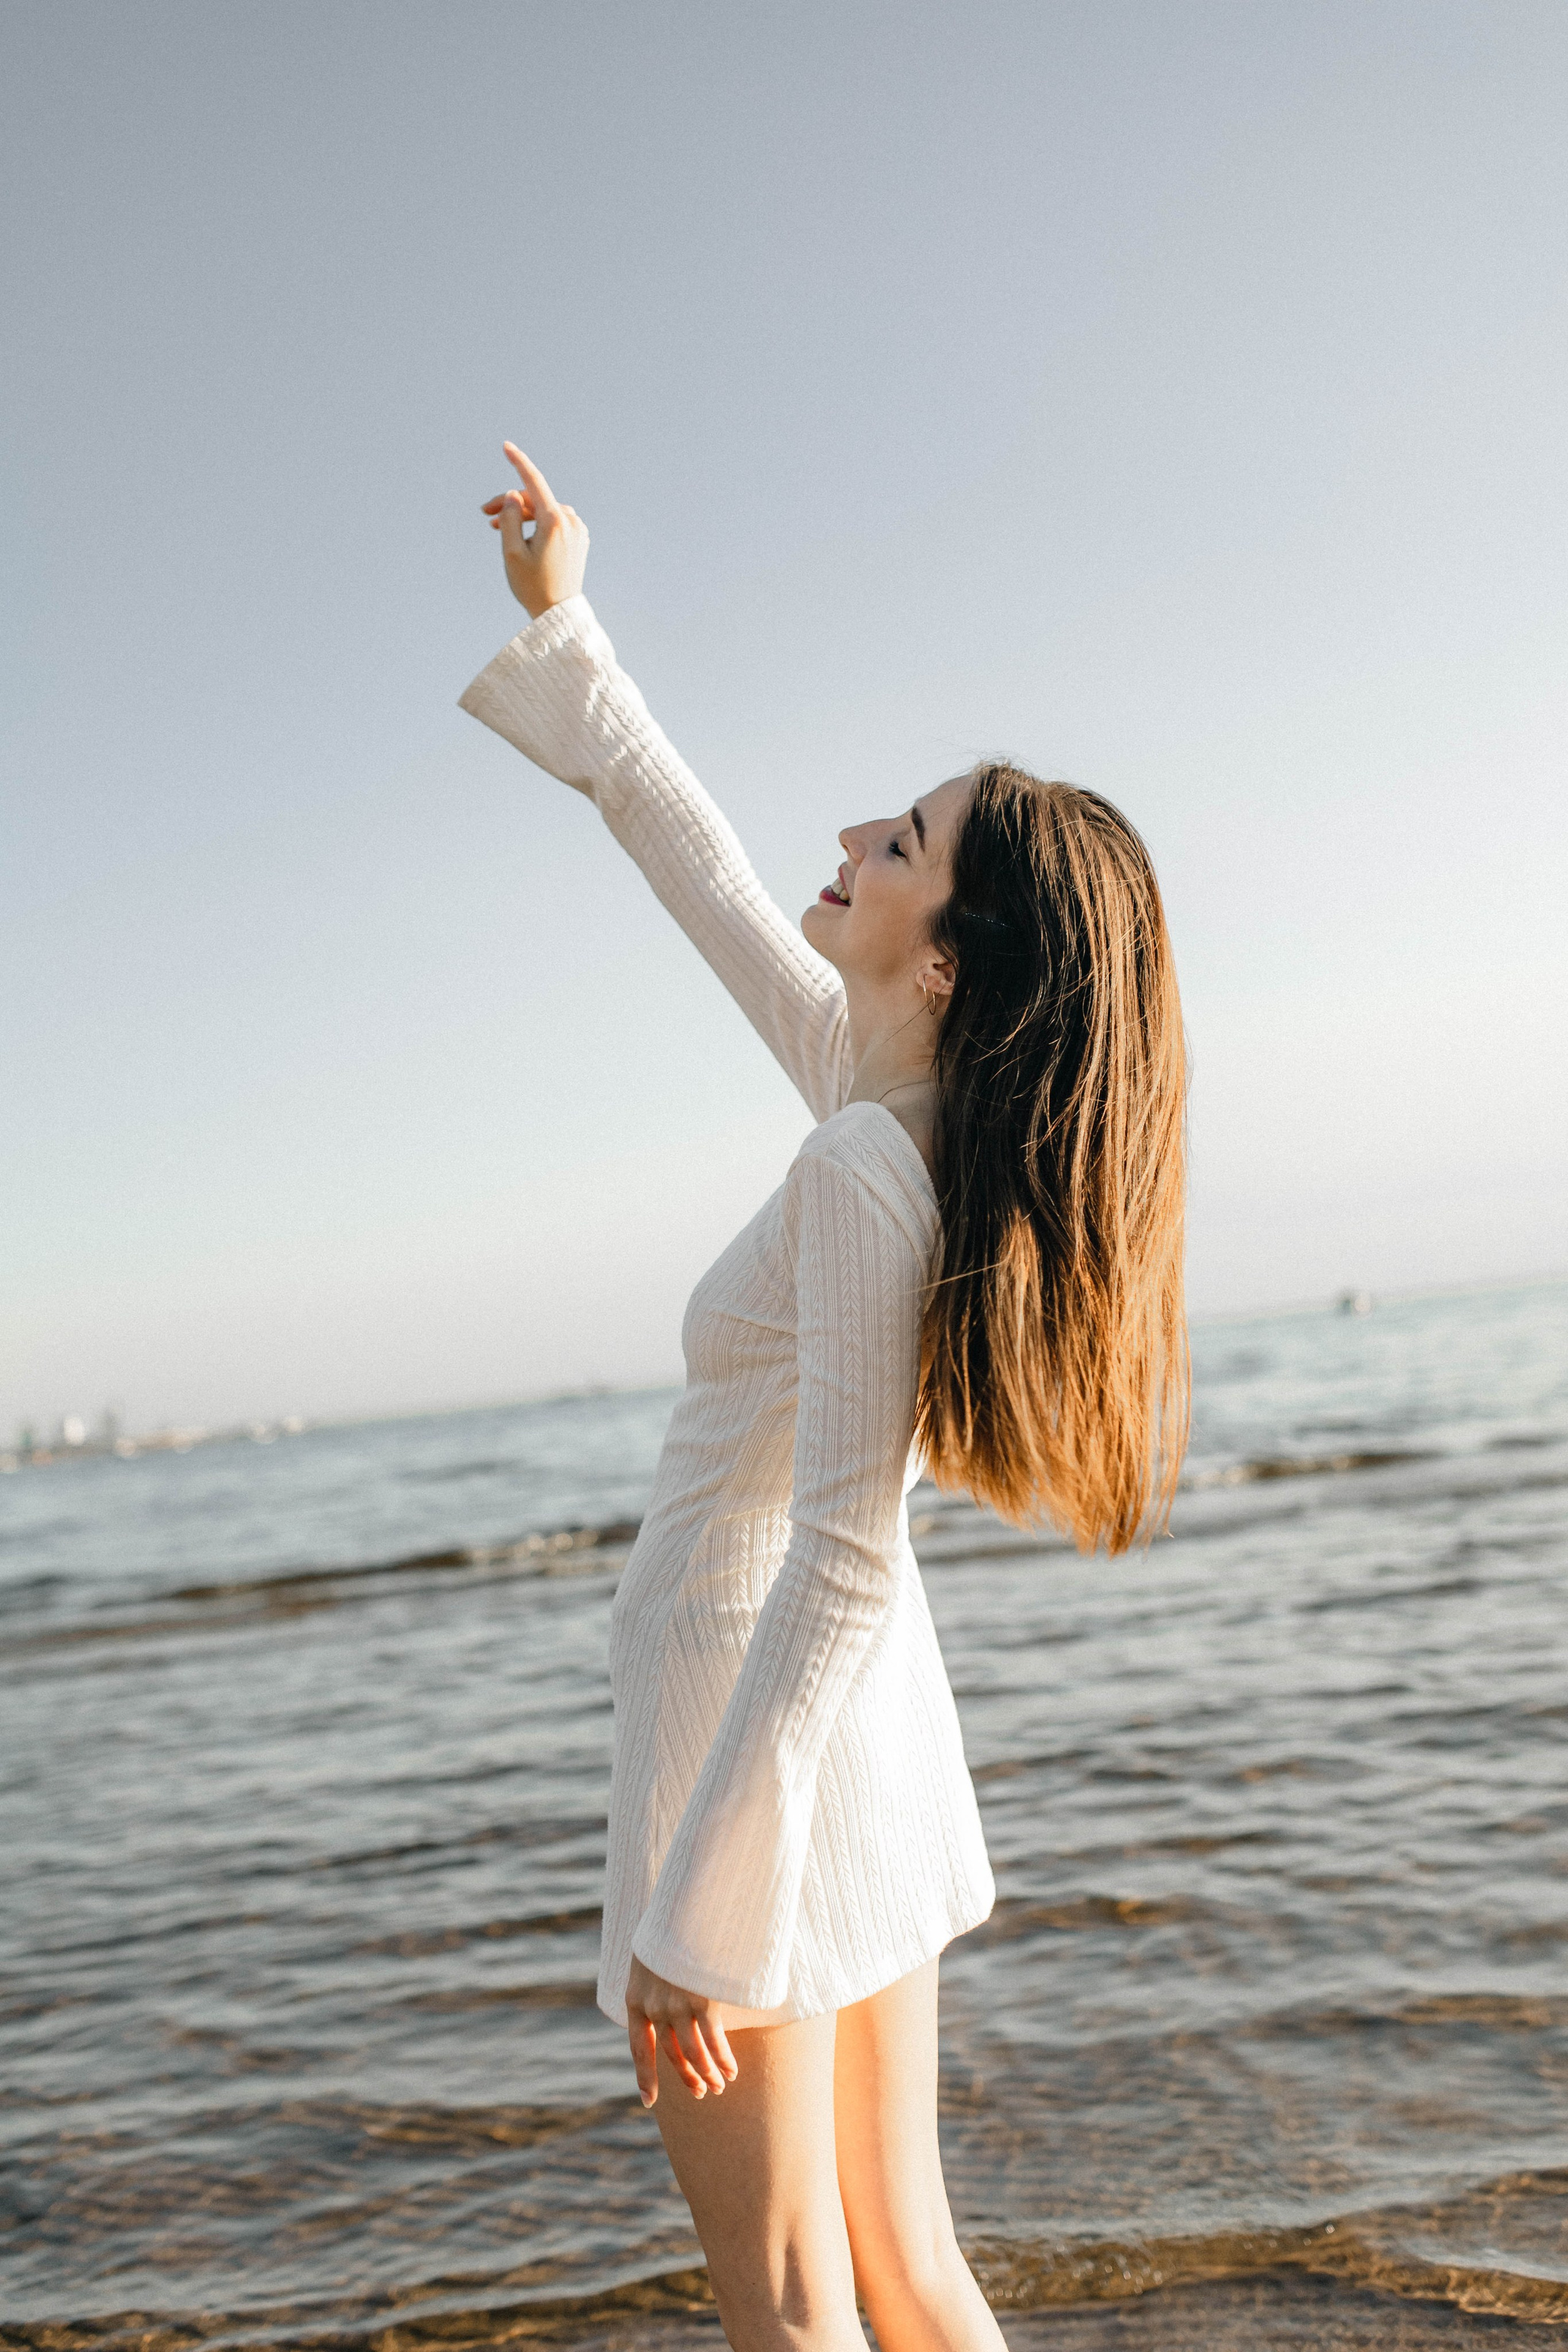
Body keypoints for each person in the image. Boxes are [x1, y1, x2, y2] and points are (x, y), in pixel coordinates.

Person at [460, 444, 1189, 2352]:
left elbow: (841, 1561)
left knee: (792, 2297)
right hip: (848, 1733)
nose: (856, 835)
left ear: (942, 961)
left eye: (904, 843)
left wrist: (695, 1912)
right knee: (902, 2267)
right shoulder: (887, 1109)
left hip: (747, 1719)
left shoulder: (865, 1165)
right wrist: (571, 623)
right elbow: (707, 875)